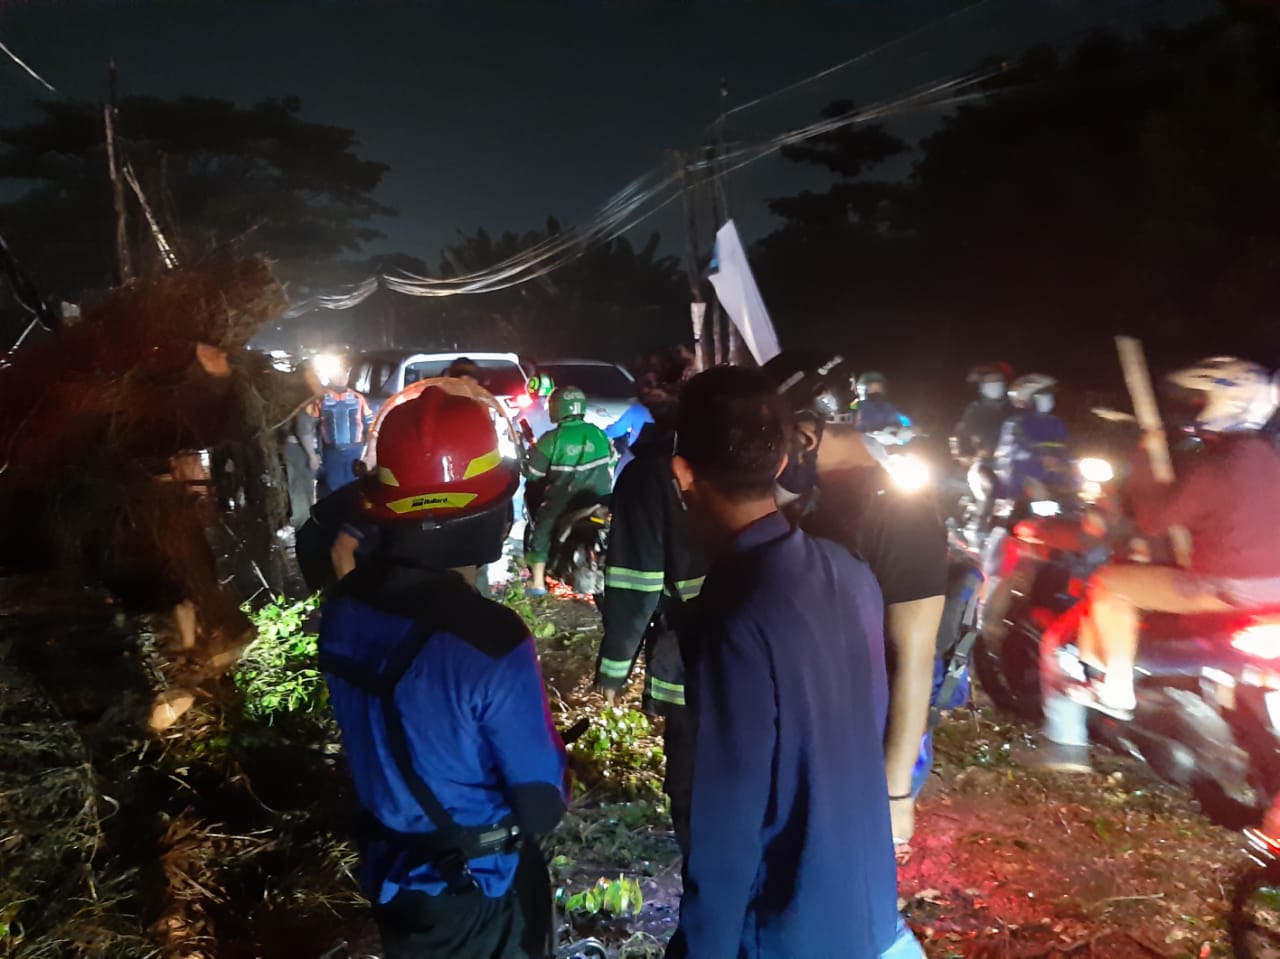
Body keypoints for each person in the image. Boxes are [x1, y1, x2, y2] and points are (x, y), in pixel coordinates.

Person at [665, 366, 922, 959]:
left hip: (787, 932)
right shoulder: (849, 572)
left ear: (683, 475)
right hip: (871, 919)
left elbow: (727, 824)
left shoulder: (733, 617)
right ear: (780, 461)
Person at [318, 385, 567, 959]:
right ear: (489, 515)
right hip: (478, 891)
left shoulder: (345, 609)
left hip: (390, 871)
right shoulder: (490, 641)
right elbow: (542, 803)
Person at [764, 352, 949, 851]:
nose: (768, 460)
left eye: (771, 442)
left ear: (805, 437)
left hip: (864, 741)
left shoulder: (901, 516)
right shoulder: (817, 498)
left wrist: (895, 796)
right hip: (812, 726)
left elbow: (914, 657)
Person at [1061, 357, 1280, 724]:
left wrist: (1144, 459)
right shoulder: (1269, 460)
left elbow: (1153, 521)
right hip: (1274, 589)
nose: (1196, 408)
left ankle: (1115, 689)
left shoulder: (1215, 467)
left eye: (1201, 399)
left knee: (1109, 584)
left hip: (1226, 588)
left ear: (1227, 403)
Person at [593, 389, 706, 854]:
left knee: (695, 788)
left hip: (695, 662)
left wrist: (613, 670)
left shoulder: (647, 477)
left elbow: (636, 583)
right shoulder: (741, 465)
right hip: (775, 661)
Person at [523, 385, 616, 595]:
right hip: (601, 498)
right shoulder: (597, 432)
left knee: (542, 528)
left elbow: (533, 474)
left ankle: (537, 583)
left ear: (555, 408)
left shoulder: (551, 439)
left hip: (565, 501)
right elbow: (612, 460)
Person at [992, 373, 1071, 501]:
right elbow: (1010, 455)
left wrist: (1070, 464)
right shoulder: (1015, 423)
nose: (1048, 398)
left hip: (1056, 480)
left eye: (1049, 395)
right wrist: (1039, 458)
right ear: (1028, 399)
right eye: (1043, 395)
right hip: (1023, 482)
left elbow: (1068, 449)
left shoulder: (1056, 423)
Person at [307, 358, 375, 498]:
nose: (341, 378)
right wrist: (313, 454)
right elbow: (309, 428)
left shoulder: (358, 398)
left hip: (354, 453)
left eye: (344, 374)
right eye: (338, 374)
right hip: (331, 454)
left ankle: (354, 518)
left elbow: (371, 427)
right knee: (332, 492)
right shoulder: (320, 399)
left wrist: (371, 454)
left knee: (356, 490)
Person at [951, 363, 1014, 463]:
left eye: (997, 381)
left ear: (1004, 385)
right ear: (982, 387)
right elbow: (962, 435)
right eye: (990, 382)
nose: (994, 384)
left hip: (1011, 464)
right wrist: (965, 455)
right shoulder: (974, 410)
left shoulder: (1014, 410)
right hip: (984, 466)